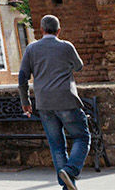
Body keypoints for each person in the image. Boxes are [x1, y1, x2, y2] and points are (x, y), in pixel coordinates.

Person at [19, 14, 88, 189]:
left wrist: (25, 101)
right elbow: (79, 66)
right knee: (82, 137)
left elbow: (22, 76)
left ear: (41, 29)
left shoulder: (31, 49)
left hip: (44, 103)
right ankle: (71, 170)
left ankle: (67, 186)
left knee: (57, 146)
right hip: (66, 99)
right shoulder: (66, 46)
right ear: (59, 30)